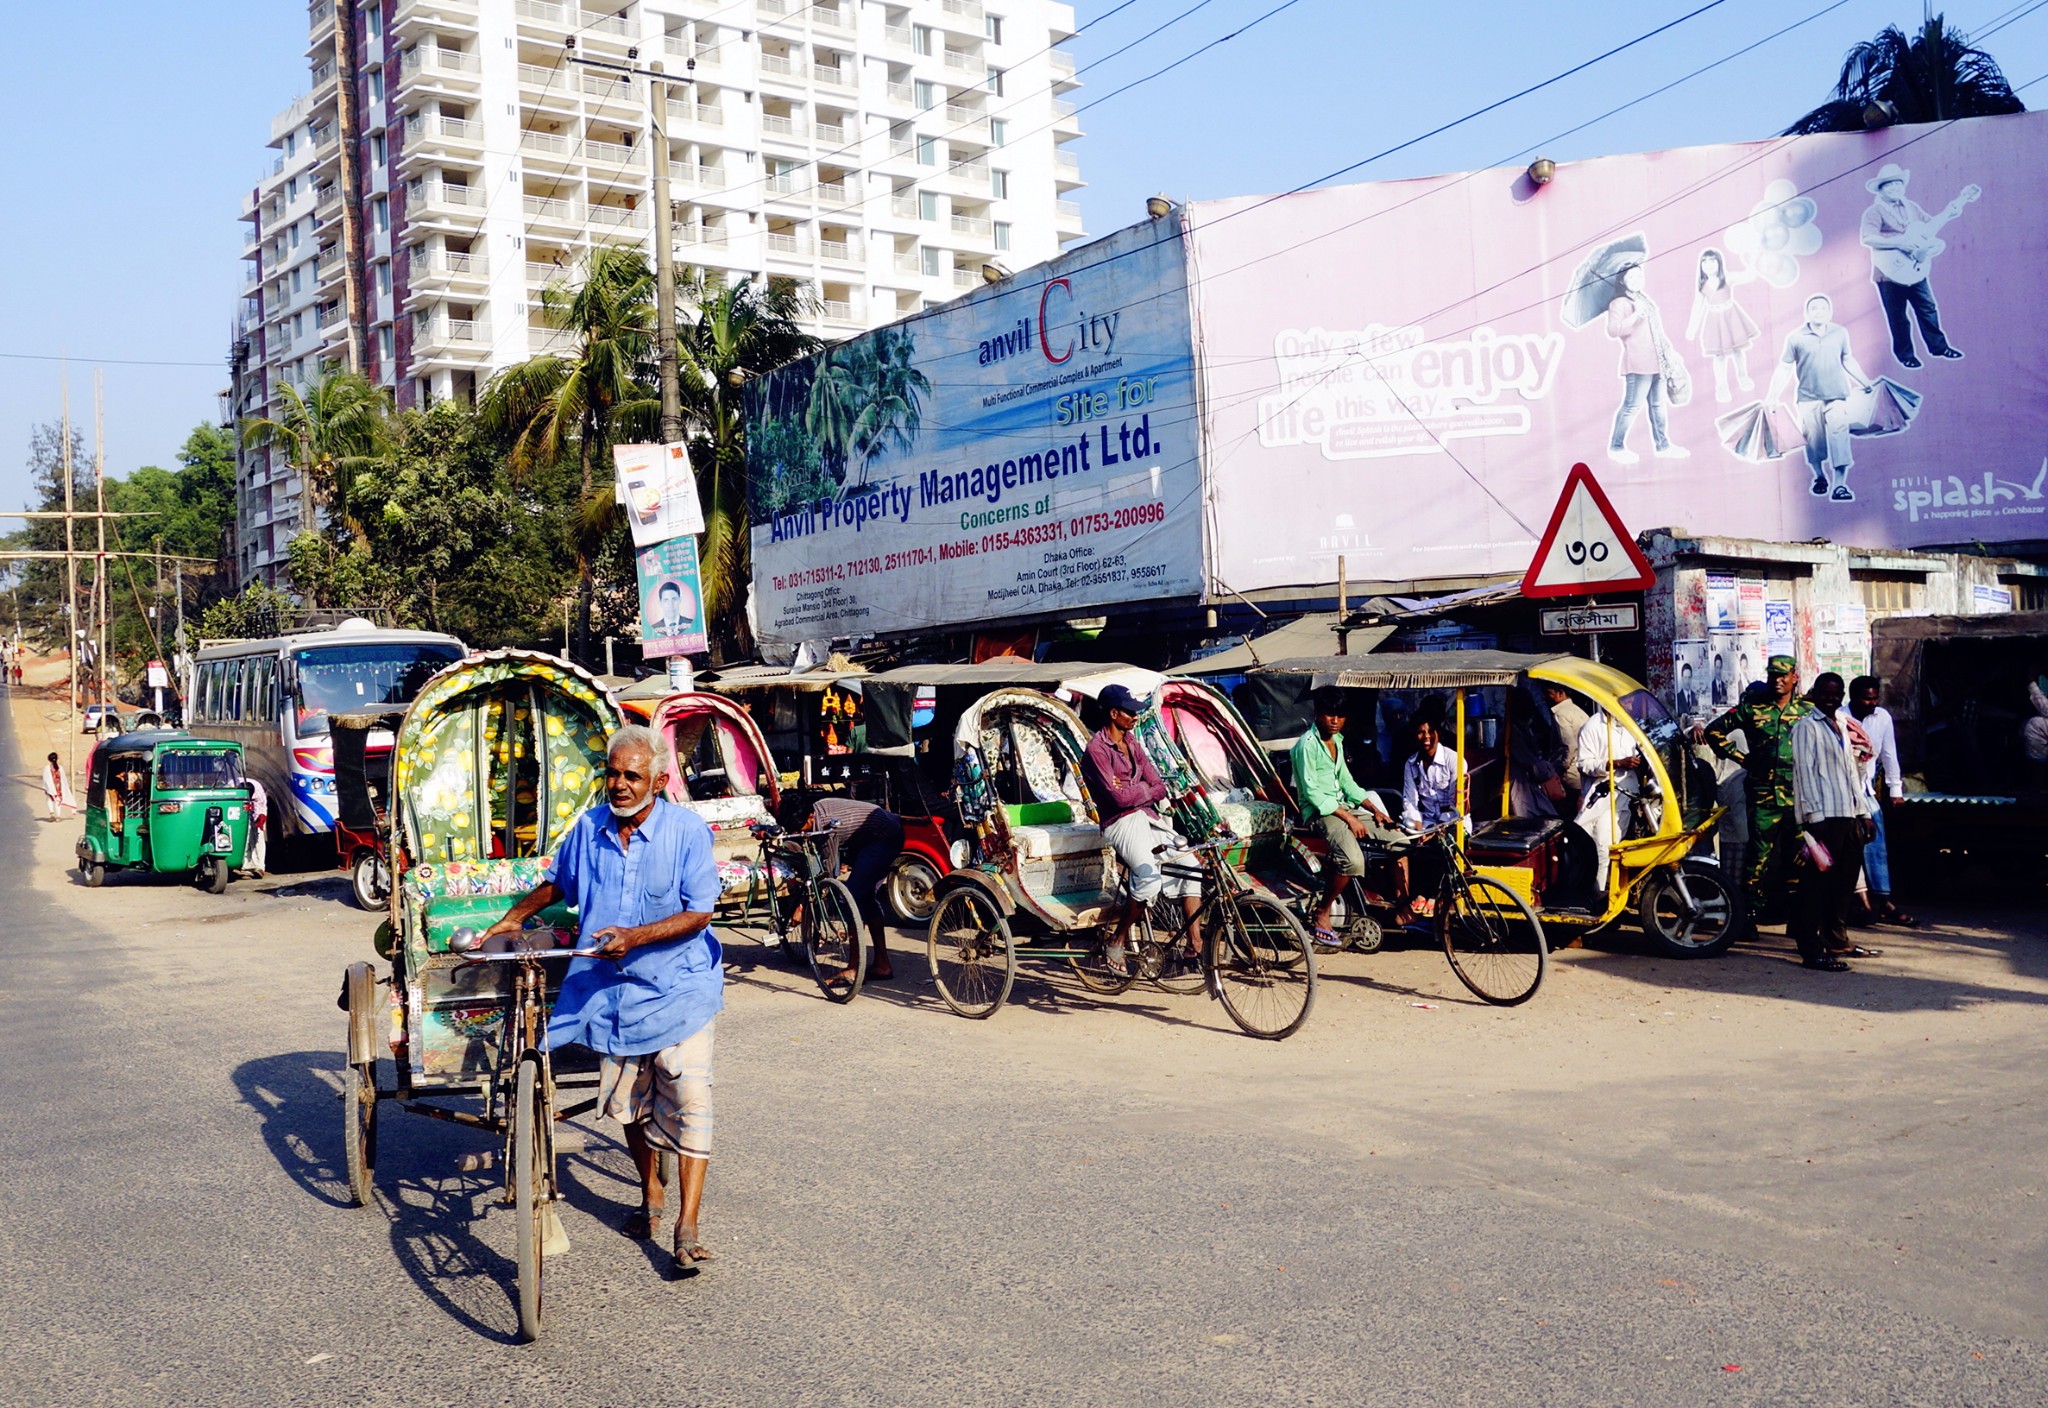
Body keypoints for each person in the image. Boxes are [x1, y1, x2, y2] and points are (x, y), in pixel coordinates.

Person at [482, 724, 721, 1275]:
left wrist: (636, 937)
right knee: (629, 1105)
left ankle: (687, 1227)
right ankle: (650, 1195)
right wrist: (515, 916)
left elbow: (700, 912)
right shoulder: (588, 828)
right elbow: (559, 884)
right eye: (612, 773)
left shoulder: (686, 833)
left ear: (658, 781)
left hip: (678, 988)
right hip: (609, 992)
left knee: (689, 1096)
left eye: (631, 775)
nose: (618, 784)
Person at [1080, 684, 1200, 977]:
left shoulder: (1132, 743)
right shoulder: (1097, 749)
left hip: (1147, 816)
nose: (1135, 717)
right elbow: (1118, 799)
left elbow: (1159, 785)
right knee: (1148, 879)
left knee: (1191, 866)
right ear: (1114, 713)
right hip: (1119, 823)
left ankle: (1194, 944)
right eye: (1130, 712)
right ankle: (1116, 940)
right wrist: (1144, 789)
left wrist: (1137, 789)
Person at [1290, 686, 1407, 945]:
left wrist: (1375, 810)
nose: (1335, 720)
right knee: (1353, 861)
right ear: (1318, 714)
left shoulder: (1338, 742)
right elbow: (1313, 794)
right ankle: (1323, 912)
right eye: (1330, 714)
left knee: (1400, 841)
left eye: (1340, 715)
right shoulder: (1306, 746)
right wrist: (1350, 818)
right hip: (1320, 813)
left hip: (1344, 806)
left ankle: (1398, 906)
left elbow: (1347, 782)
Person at [1702, 656, 1815, 921]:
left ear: (1794, 678)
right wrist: (1743, 758)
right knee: (1758, 860)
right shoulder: (1752, 708)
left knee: (1798, 858)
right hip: (1763, 797)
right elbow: (1714, 731)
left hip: (1799, 797)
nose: (1778, 681)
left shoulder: (1808, 709)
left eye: (1783, 676)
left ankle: (1797, 917)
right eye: (1773, 676)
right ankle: (1750, 914)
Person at [1789, 673, 1877, 971]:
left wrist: (1864, 813)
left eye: (1836, 693)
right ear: (1814, 694)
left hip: (1848, 814)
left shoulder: (1841, 723)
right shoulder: (1805, 728)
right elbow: (1805, 774)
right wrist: (1814, 819)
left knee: (1844, 882)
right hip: (1823, 817)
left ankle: (1836, 939)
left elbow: (1853, 773)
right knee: (1816, 885)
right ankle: (1810, 948)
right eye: (1825, 693)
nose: (1830, 698)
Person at [1859, 164, 1972, 368]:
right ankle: (1906, 356)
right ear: (1881, 189)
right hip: (1888, 272)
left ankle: (1939, 347)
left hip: (1914, 269)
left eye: (1898, 184)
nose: (1895, 188)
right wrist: (1899, 242)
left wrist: (1951, 210)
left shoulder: (1911, 207)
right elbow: (1868, 238)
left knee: (1927, 307)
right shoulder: (1874, 212)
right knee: (1898, 316)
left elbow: (1929, 226)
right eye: (1890, 185)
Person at [1767, 294, 1875, 504]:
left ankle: (1840, 485)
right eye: (1814, 309)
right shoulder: (1796, 337)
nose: (1819, 312)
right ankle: (1819, 477)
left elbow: (1847, 359)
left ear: (1829, 312)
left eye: (1823, 309)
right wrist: (1772, 395)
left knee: (1839, 436)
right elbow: (1784, 368)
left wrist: (1864, 381)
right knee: (1813, 441)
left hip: (1837, 396)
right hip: (1808, 398)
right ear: (1807, 313)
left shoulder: (1840, 333)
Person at [805, 794, 902, 982]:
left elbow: (828, 873)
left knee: (850, 897)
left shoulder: (828, 827)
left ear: (810, 817)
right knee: (866, 897)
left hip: (885, 837)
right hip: (879, 834)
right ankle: (882, 964)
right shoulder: (817, 809)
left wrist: (809, 902)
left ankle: (854, 968)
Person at [1844, 675, 1915, 928]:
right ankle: (1857, 903)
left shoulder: (1882, 717)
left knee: (1876, 846)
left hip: (1865, 791)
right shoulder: (1840, 717)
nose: (1872, 703)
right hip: (1841, 792)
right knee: (1847, 848)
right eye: (1867, 698)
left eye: (1875, 698)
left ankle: (1883, 901)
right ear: (1853, 697)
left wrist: (1895, 789)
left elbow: (1889, 753)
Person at [1604, 262, 1690, 464]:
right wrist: (1635, 316)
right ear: (1622, 280)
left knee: (1658, 405)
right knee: (1632, 406)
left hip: (1658, 360)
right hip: (1639, 362)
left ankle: (1663, 446)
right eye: (1631, 277)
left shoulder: (1644, 299)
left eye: (1639, 276)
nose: (1636, 280)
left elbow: (1657, 332)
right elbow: (1613, 330)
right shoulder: (1619, 303)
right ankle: (1616, 447)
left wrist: (1670, 352)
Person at [1572, 708, 1657, 890]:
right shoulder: (1592, 726)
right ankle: (1597, 894)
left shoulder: (1630, 724)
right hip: (1603, 796)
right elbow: (1583, 764)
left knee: (1615, 846)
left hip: (1627, 794)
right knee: (1602, 848)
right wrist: (1617, 763)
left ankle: (1611, 891)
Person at [1684, 246, 1760, 402]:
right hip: (1715, 321)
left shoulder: (1727, 278)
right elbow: (1697, 307)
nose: (1709, 265)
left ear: (1719, 263)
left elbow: (1749, 276)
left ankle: (1742, 376)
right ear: (1701, 266)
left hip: (1731, 317)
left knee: (1738, 350)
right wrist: (1692, 329)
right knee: (1719, 356)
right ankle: (1722, 386)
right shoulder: (1702, 286)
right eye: (1705, 262)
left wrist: (1750, 264)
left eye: (1712, 261)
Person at [1400, 712, 1460, 832]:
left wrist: (1438, 831)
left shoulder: (1454, 760)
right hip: (1427, 824)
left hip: (1454, 822)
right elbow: (1410, 802)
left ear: (1439, 733)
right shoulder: (1410, 764)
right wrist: (1418, 828)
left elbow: (1456, 804)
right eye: (1421, 732)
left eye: (1431, 731)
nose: (1427, 736)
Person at [1543, 682, 1590, 803]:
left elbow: (1569, 745)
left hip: (1572, 773)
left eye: (1550, 694)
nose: (1547, 697)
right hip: (1583, 769)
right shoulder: (1577, 711)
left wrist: (1560, 767)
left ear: (1561, 693)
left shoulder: (1561, 715)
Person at [241, 774, 269, 878]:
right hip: (242, 813)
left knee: (258, 838)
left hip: (256, 812)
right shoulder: (233, 785)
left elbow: (262, 804)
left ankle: (259, 866)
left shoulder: (257, 789)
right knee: (245, 838)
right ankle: (246, 866)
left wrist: (260, 817)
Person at [42, 751, 75, 822]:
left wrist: (46, 787)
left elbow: (45, 779)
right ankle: (58, 817)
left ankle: (52, 814)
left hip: (50, 787)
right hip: (58, 787)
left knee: (49, 800)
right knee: (58, 801)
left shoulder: (47, 768)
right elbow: (63, 779)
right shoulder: (60, 768)